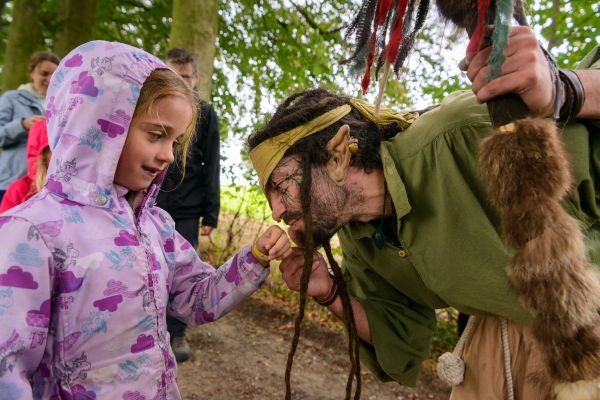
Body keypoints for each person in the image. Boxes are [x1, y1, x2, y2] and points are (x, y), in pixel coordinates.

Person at [247, 27, 600, 400]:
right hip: (502, 339)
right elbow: (401, 336)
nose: (277, 210)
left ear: (338, 153)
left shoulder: (460, 131)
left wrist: (564, 89)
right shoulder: (359, 237)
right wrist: (330, 291)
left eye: (282, 185)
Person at [0, 40, 292, 399]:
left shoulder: (155, 226)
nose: (168, 155)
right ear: (100, 125)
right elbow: (8, 368)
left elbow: (198, 299)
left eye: (175, 141)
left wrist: (255, 258)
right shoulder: (30, 233)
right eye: (156, 135)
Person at [156, 47, 221, 362]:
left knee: (181, 271)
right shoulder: (152, 107)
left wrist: (211, 211)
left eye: (185, 77)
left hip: (187, 209)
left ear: (195, 79)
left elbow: (212, 166)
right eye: (172, 76)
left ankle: (176, 332)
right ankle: (148, 328)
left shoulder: (206, 114)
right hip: (152, 202)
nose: (179, 83)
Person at [0, 51, 59, 203]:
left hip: (45, 184)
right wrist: (22, 125)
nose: (49, 79)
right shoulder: (12, 98)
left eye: (54, 75)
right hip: (12, 179)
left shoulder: (61, 104)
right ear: (31, 71)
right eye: (44, 73)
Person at [0, 120, 50, 212]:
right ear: (42, 155)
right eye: (52, 148)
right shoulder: (19, 190)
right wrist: (22, 124)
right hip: (10, 175)